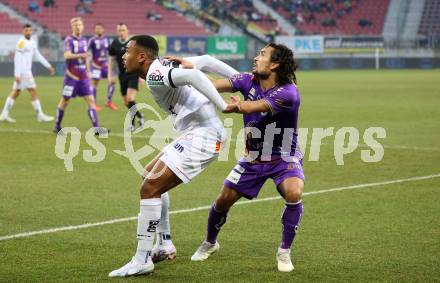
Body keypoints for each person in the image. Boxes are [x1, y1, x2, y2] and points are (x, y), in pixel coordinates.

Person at [108, 35, 237, 277]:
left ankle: (142, 259)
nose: (123, 56)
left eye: (128, 52)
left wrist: (222, 105)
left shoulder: (156, 73)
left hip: (205, 135)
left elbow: (195, 75)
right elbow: (207, 61)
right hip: (196, 131)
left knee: (149, 189)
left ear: (142, 57)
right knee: (150, 175)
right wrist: (243, 81)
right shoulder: (161, 67)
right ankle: (164, 243)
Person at [170, 43, 305, 273]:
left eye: (262, 55)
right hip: (253, 157)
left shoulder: (288, 92)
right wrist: (190, 71)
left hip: (284, 157)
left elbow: (255, 106)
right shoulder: (247, 79)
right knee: (222, 201)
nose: (256, 57)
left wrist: (236, 106)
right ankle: (210, 243)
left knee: (294, 192)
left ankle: (284, 251)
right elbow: (211, 86)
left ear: (275, 64)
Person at [53, 17, 107, 135]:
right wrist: (81, 55)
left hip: (83, 77)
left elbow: (86, 57)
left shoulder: (84, 40)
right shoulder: (68, 40)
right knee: (64, 101)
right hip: (71, 77)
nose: (77, 27)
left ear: (83, 26)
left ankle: (96, 128)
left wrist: (88, 71)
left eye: (79, 25)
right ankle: (57, 126)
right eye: (75, 25)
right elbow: (67, 55)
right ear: (72, 27)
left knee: (91, 100)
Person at [0, 24, 55, 123]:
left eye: (30, 30)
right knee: (32, 91)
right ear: (23, 31)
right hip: (23, 72)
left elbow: (38, 56)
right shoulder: (21, 43)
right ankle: (40, 115)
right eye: (26, 30)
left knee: (16, 92)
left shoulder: (32, 42)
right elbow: (17, 59)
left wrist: (48, 65)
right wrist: (17, 74)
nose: (28, 32)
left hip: (26, 72)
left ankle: (4, 114)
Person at [108, 23, 143, 131]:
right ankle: (140, 115)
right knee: (126, 102)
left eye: (123, 30)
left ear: (127, 30)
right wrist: (110, 75)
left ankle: (131, 124)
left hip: (133, 73)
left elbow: (140, 58)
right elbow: (111, 60)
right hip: (122, 75)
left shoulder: (133, 42)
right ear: (117, 31)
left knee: (130, 98)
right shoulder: (114, 43)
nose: (121, 32)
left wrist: (142, 75)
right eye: (119, 30)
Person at [88, 23, 117, 111]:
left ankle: (109, 101)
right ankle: (93, 104)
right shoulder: (92, 40)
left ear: (103, 30)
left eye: (100, 28)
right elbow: (86, 51)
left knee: (113, 81)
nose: (98, 30)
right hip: (96, 66)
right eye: (97, 28)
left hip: (105, 66)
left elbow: (110, 52)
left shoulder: (106, 40)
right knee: (95, 84)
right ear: (95, 30)